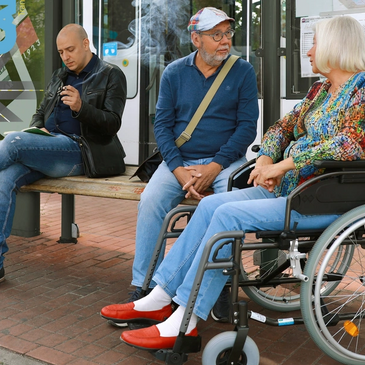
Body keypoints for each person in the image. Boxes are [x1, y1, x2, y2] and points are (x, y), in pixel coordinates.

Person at [100, 14, 365, 350]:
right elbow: (280, 128)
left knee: (228, 216)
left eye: (313, 43)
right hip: (292, 192)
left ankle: (186, 320)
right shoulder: (321, 90)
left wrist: (284, 164)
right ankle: (160, 295)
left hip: (320, 198)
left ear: (334, 46)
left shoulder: (361, 90)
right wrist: (267, 158)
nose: (309, 52)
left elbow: (350, 144)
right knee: (211, 204)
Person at [127, 7, 258, 320]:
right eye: (216, 35)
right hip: (180, 161)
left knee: (229, 205)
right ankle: (144, 285)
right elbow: (162, 125)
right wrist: (178, 168)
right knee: (151, 200)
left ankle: (223, 283)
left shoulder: (243, 72)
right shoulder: (174, 72)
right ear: (196, 38)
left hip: (224, 161)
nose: (225, 41)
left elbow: (247, 127)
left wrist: (215, 166)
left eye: (227, 33)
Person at [0, 24, 127, 283]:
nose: (65, 56)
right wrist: (36, 132)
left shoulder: (111, 75)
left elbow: (112, 123)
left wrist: (81, 107)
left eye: (70, 49)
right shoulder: (60, 75)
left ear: (85, 44)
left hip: (80, 151)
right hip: (49, 148)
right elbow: (40, 112)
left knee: (12, 140)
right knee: (4, 180)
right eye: (61, 52)